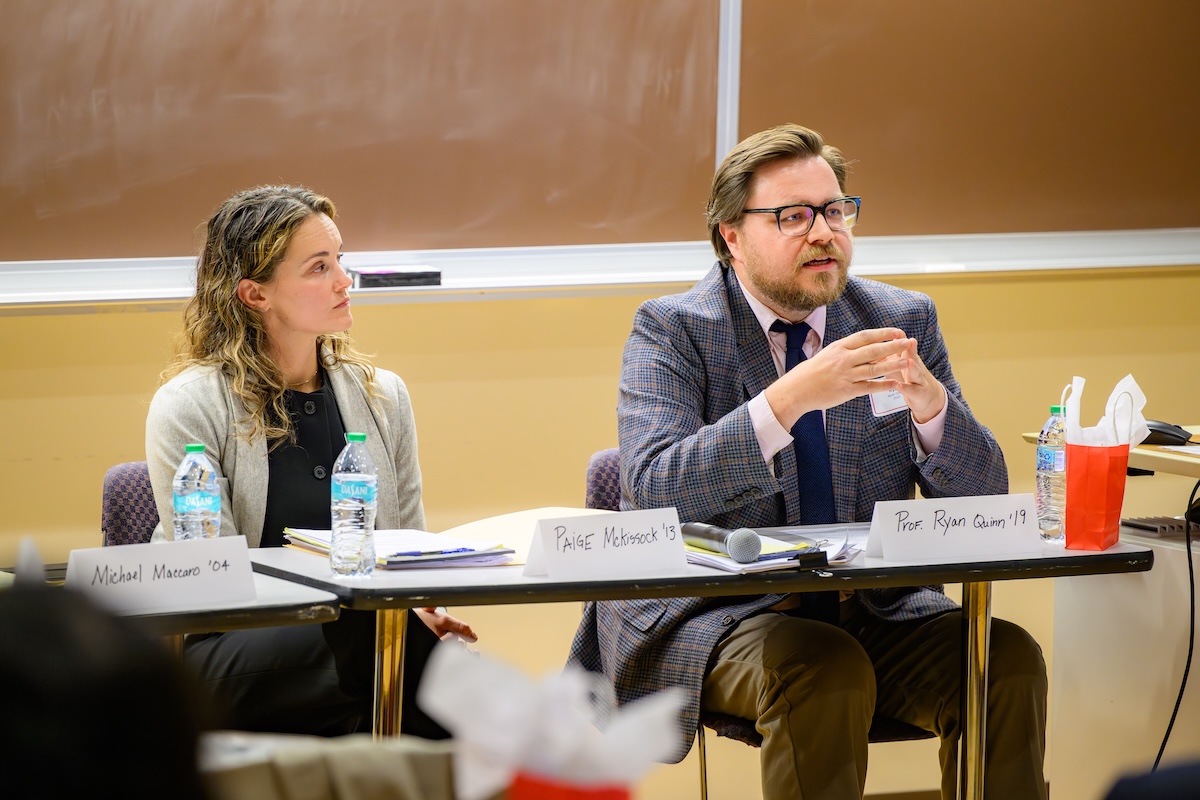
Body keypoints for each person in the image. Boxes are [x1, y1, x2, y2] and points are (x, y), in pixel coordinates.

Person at [568, 125, 1047, 799]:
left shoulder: (897, 318)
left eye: (835, 210)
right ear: (731, 236)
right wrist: (789, 399)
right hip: (714, 613)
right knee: (823, 667)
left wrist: (932, 408)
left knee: (1007, 660)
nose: (824, 232)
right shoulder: (672, 328)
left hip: (872, 608)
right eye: (793, 216)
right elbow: (652, 487)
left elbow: (982, 498)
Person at [146, 185, 475, 738]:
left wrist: (420, 612)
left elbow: (409, 546)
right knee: (434, 673)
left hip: (363, 642)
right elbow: (213, 579)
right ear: (255, 295)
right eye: (320, 267)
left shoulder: (383, 396)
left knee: (431, 661)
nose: (345, 280)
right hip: (232, 648)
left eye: (340, 260)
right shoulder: (188, 405)